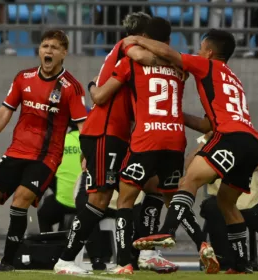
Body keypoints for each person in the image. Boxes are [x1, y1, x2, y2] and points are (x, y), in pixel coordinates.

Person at [129, 28, 258, 274]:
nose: (198, 52)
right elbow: (206, 125)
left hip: (230, 137)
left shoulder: (208, 65)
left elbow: (171, 54)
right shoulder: (231, 77)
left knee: (189, 180)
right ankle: (243, 265)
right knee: (227, 203)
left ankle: (166, 233)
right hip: (252, 143)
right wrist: (173, 115)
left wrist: (138, 39)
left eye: (201, 48)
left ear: (209, 52)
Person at [54, 12, 176, 276]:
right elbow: (99, 97)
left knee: (154, 184)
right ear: (141, 37)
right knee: (100, 198)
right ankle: (66, 259)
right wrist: (171, 61)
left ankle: (146, 253)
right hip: (104, 132)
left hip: (124, 135)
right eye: (151, 39)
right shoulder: (128, 48)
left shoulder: (129, 56)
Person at [87, 17, 205, 275]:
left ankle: (122, 263)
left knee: (125, 201)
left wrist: (93, 84)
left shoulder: (130, 61)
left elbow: (100, 96)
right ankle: (203, 246)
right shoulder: (180, 66)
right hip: (175, 140)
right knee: (172, 198)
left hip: (145, 138)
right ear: (169, 41)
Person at [0, 29, 88, 271]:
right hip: (16, 152)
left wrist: (87, 156)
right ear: (39, 50)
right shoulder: (23, 77)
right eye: (45, 46)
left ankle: (9, 262)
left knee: (20, 201)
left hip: (46, 158)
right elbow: (5, 111)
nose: (48, 51)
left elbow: (83, 126)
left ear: (63, 53)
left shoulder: (71, 87)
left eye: (54, 47)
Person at [190, 133, 258, 270]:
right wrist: (205, 140)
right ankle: (225, 264)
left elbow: (257, 163)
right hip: (223, 201)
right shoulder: (209, 142)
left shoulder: (244, 137)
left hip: (254, 201)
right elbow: (190, 168)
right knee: (213, 208)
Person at [37, 122, 82, 233]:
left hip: (63, 202)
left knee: (43, 214)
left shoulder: (61, 141)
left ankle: (47, 244)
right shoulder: (94, 143)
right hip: (86, 203)